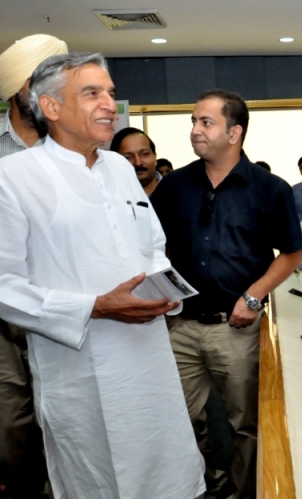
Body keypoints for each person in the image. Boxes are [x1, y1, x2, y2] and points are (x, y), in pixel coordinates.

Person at [0, 52, 205, 499]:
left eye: (110, 93)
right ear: (51, 106)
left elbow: (152, 244)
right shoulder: (12, 176)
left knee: (168, 475)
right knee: (99, 479)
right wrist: (94, 306)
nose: (110, 104)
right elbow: (4, 287)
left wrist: (164, 288)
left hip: (150, 359)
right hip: (80, 368)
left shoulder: (118, 167)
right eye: (92, 93)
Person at [151, 88, 302, 499]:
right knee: (177, 421)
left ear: (234, 133)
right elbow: (154, 247)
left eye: (206, 122)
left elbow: (292, 254)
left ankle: (242, 491)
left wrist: (253, 297)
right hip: (180, 328)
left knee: (244, 423)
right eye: (193, 121)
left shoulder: (269, 189)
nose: (195, 130)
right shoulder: (174, 186)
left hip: (236, 330)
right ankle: (202, 485)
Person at [0, 33, 67, 498]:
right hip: (4, 310)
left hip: (64, 306)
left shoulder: (73, 151)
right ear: (15, 89)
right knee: (11, 420)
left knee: (64, 414)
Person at [110, 127, 162, 197]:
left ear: (155, 157)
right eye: (127, 157)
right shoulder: (109, 197)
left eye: (144, 154)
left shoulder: (175, 189)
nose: (138, 163)